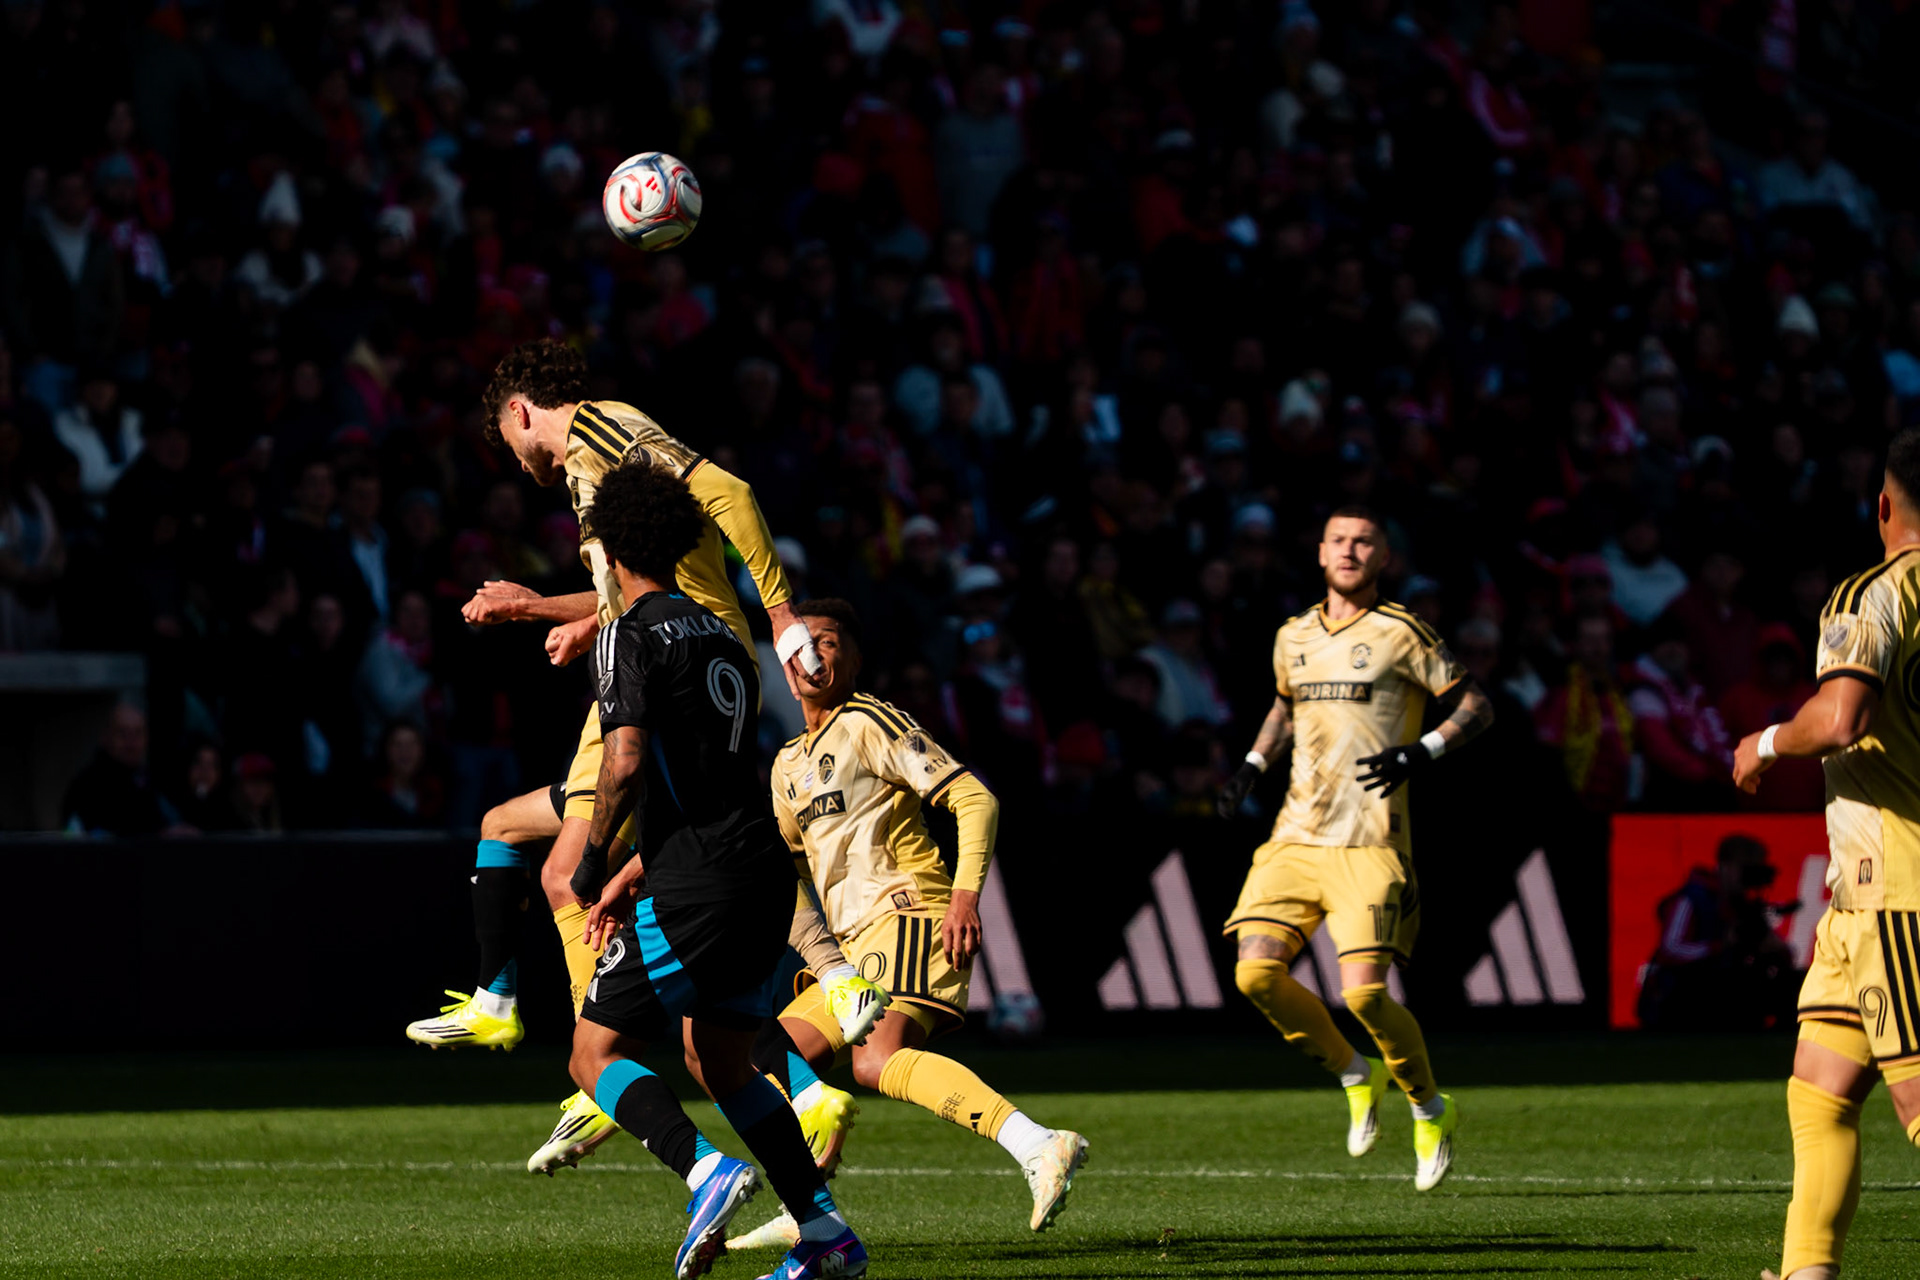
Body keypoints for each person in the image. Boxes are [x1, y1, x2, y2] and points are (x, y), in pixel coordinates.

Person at [401, 339, 860, 1176]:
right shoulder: (589, 473)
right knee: (574, 849)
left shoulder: (604, 432)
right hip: (686, 653)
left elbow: (729, 493)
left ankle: (593, 1067)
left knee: (570, 873)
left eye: (506, 441)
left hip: (678, 658)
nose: (512, 461)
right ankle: (780, 1102)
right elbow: (631, 580)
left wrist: (783, 616)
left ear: (518, 412)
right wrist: (548, 609)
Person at [567, 464, 868, 1280]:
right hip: (759, 874)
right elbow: (709, 771)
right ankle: (827, 1233)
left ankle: (707, 1171)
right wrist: (639, 865)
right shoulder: (718, 631)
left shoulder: (626, 634)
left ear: (611, 547)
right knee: (721, 1062)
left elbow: (626, 761)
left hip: (700, 882)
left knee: (592, 1053)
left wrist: (594, 859)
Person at [726, 599, 1088, 1250]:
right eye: (803, 643)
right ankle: (811, 1205)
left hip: (909, 913)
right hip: (850, 954)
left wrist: (964, 897)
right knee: (766, 1054)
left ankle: (1037, 1143)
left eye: (831, 642)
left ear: (855, 660)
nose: (814, 654)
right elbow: (783, 872)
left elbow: (974, 798)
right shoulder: (785, 765)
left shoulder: (869, 720)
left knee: (875, 1061)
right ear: (782, 663)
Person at [1214, 507, 1494, 1191]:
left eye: (1364, 540)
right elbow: (1285, 706)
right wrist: (1253, 762)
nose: (1350, 550)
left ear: (1383, 557)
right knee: (1253, 976)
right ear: (1319, 553)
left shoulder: (1401, 633)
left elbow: (1476, 706)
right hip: (1294, 835)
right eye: (1339, 539)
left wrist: (1418, 751)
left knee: (1365, 995)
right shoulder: (1293, 635)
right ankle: (1351, 1072)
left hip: (1369, 841)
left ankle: (1431, 1108)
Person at [1737, 427, 1920, 1280]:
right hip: (1859, 907)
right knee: (1820, 1093)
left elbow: (1841, 717)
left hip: (1901, 893)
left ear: (1883, 504)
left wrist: (1768, 741)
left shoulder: (1872, 597)